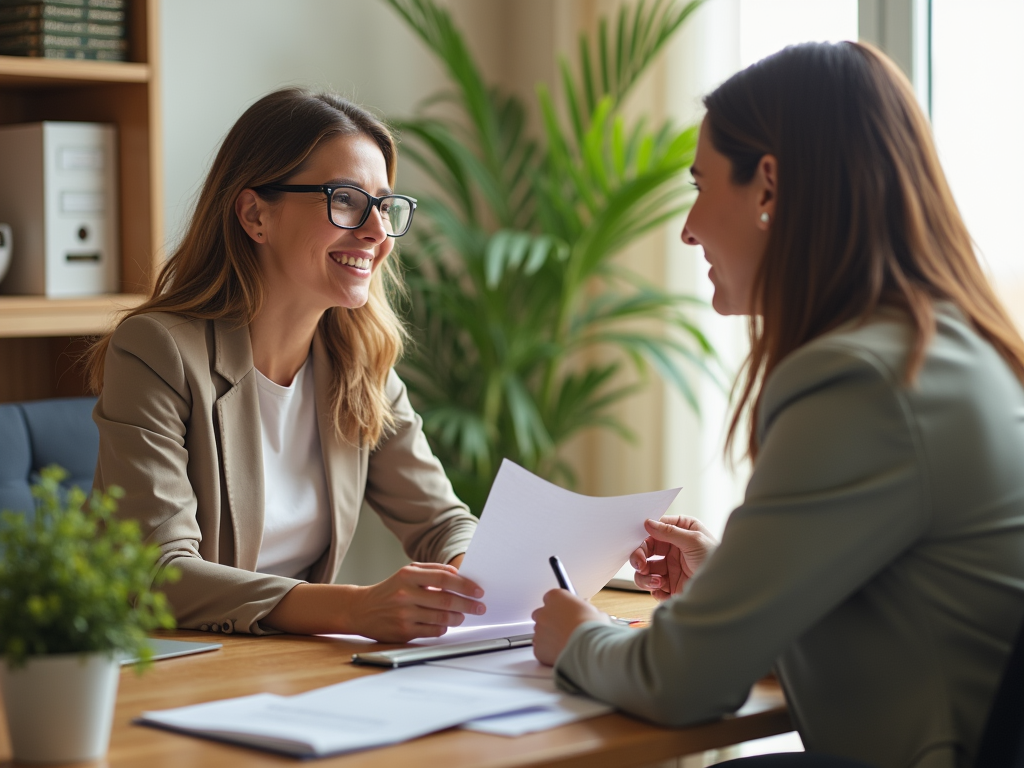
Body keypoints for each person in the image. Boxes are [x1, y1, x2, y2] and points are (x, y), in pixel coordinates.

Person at [531, 42, 1024, 768]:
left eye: (700, 185)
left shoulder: (860, 381)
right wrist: (736, 578)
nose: (688, 227)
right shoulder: (949, 349)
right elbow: (903, 611)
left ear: (769, 186)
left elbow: (681, 681)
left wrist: (577, 635)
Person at [88, 88, 485, 642]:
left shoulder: (359, 362)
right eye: (345, 199)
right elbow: (158, 573)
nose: (375, 232)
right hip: (168, 667)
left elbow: (443, 523)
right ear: (255, 214)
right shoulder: (157, 351)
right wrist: (352, 609)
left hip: (289, 668)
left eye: (384, 206)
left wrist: (474, 574)